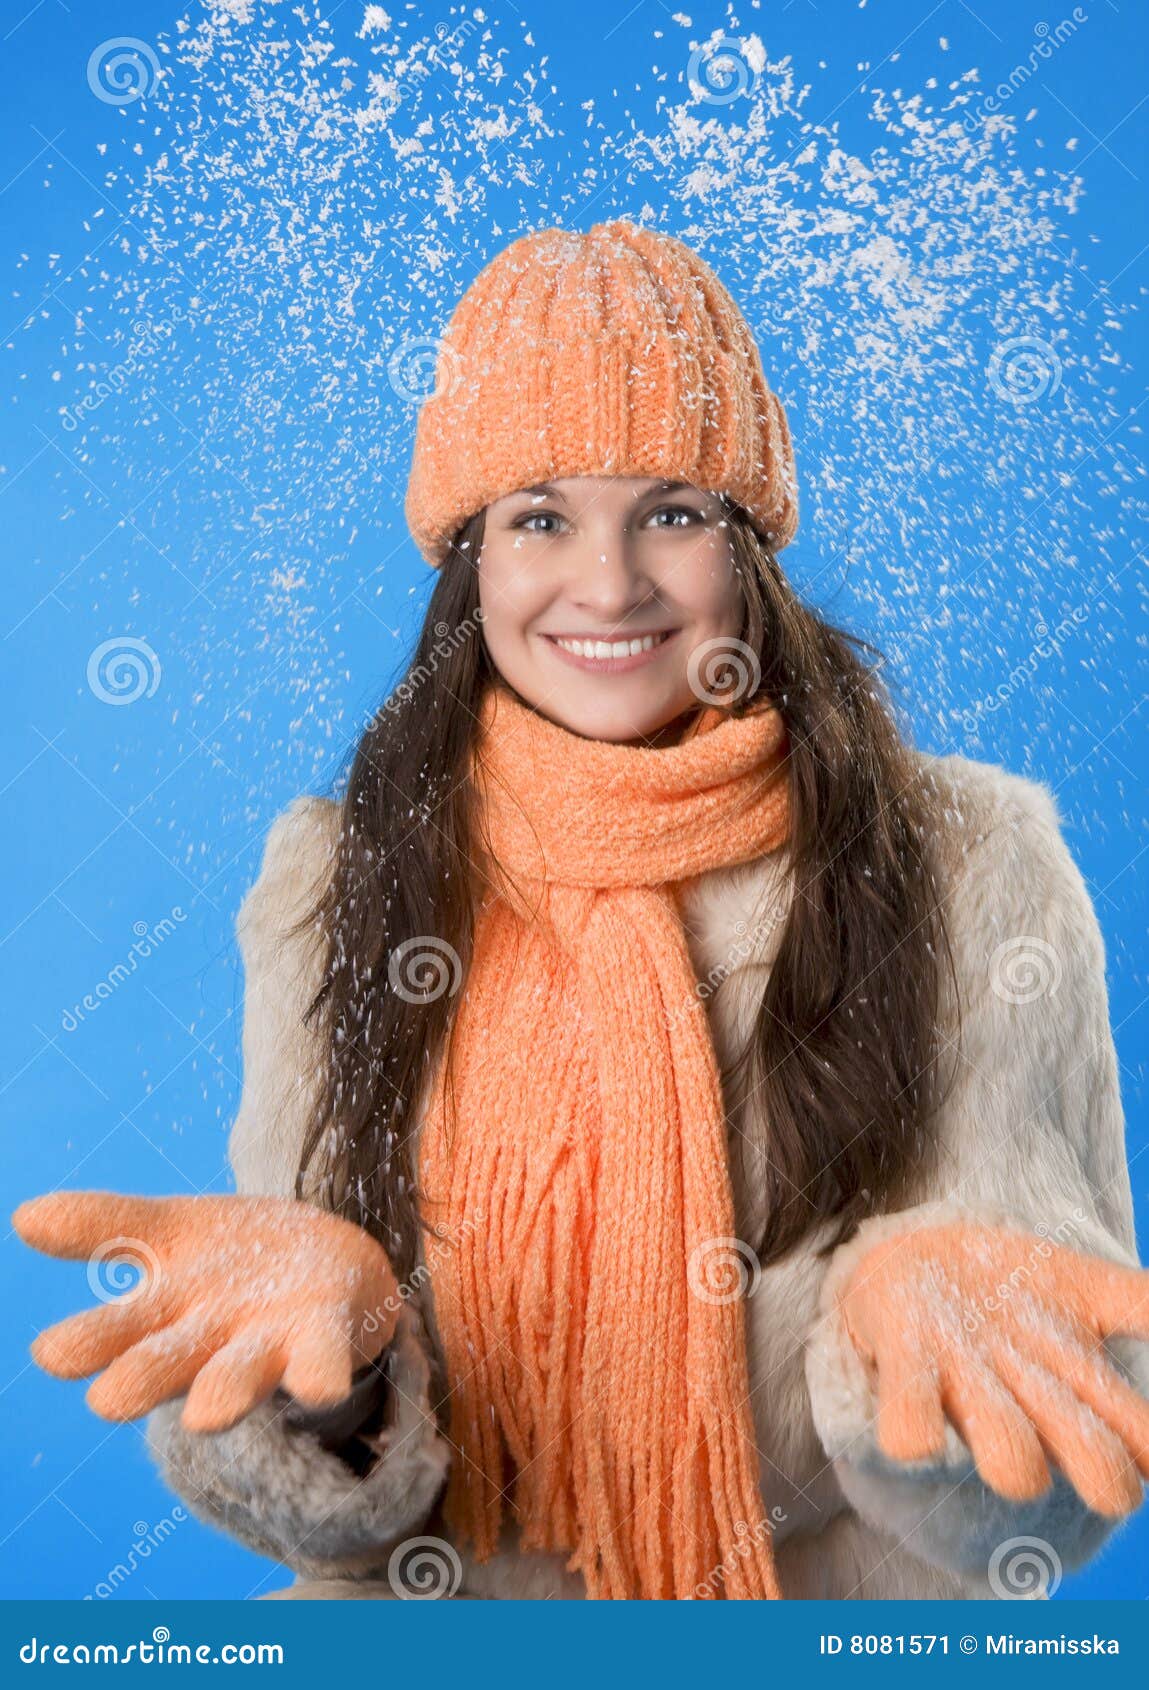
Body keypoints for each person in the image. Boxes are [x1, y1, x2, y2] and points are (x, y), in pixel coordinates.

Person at [13, 221, 1149, 1602]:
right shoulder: (340, 879)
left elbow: (1057, 1469)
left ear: (748, 549)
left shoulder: (969, 863)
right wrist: (331, 1377)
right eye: (539, 516)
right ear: (468, 560)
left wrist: (930, 1348)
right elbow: (333, 1513)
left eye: (671, 509)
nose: (607, 584)